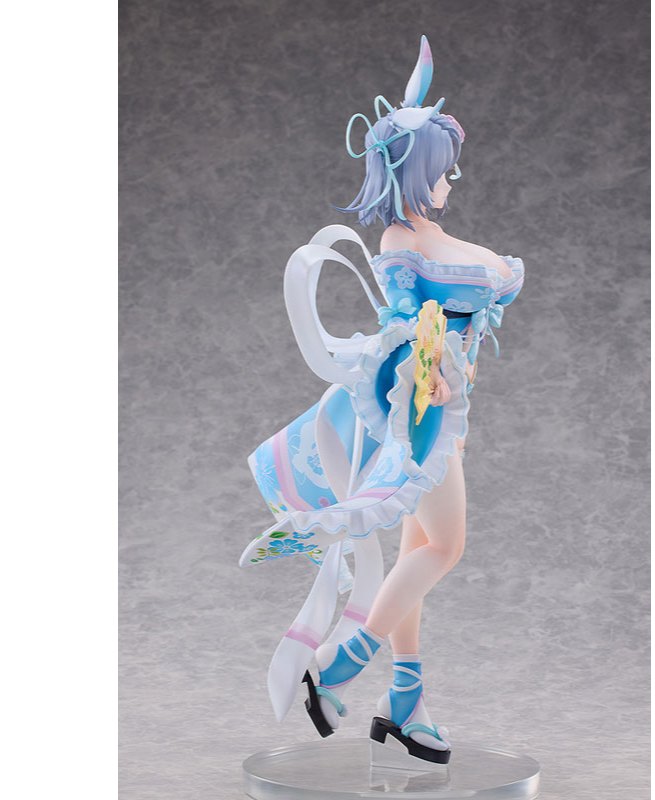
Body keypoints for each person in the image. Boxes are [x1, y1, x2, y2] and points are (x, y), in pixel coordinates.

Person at [240, 35, 524, 765]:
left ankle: (405, 697)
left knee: (415, 552)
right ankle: (339, 664)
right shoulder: (402, 240)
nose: (451, 179)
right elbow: (401, 323)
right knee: (445, 547)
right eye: (443, 168)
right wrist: (429, 366)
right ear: (414, 171)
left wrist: (447, 367)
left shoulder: (428, 231)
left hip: (443, 410)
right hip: (421, 412)